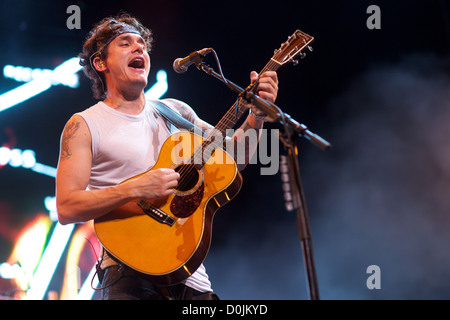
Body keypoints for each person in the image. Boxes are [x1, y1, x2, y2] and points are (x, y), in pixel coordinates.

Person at [55, 13, 279, 300]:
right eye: (125, 44)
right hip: (128, 273)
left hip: (190, 273)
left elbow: (233, 159)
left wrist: (256, 117)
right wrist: (135, 188)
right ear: (100, 63)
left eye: (142, 45)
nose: (139, 49)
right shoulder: (83, 125)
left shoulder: (176, 111)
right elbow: (67, 206)